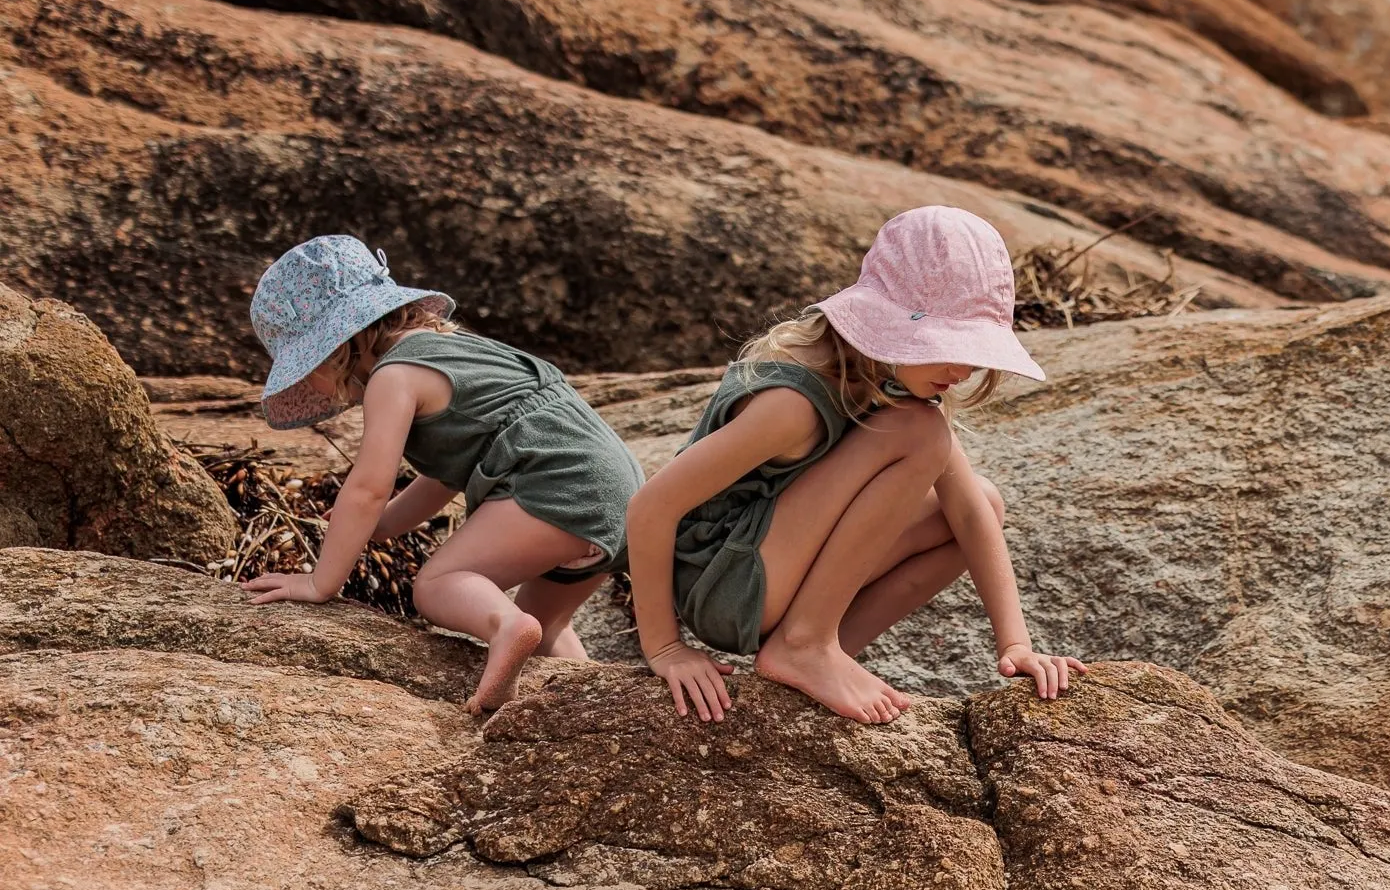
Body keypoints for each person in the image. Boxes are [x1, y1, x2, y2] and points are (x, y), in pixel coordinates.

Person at [627, 206, 1087, 724]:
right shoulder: (792, 405)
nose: (962, 369)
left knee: (982, 500)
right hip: (722, 582)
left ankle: (821, 649)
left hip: (765, 577)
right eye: (950, 347)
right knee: (920, 432)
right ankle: (806, 644)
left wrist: (1016, 644)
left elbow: (971, 513)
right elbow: (650, 507)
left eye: (974, 351)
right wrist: (665, 648)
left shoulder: (889, 381)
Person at [239, 235, 644, 714]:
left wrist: (319, 582)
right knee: (546, 626)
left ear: (337, 348)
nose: (311, 381)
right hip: (619, 493)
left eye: (307, 366)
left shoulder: (393, 378)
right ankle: (590, 705)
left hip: (557, 483)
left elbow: (368, 487)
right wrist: (384, 525)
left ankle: (504, 627)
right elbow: (447, 476)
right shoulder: (458, 349)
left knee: (437, 585)